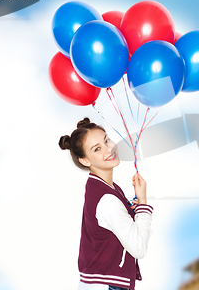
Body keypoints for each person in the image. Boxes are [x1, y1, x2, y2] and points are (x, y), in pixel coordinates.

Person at [59, 117, 153, 290]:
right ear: (85, 161)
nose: (108, 149)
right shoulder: (107, 199)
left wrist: (128, 211)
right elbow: (139, 248)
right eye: (97, 149)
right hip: (107, 285)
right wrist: (143, 203)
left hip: (100, 282)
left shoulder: (101, 186)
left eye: (106, 140)